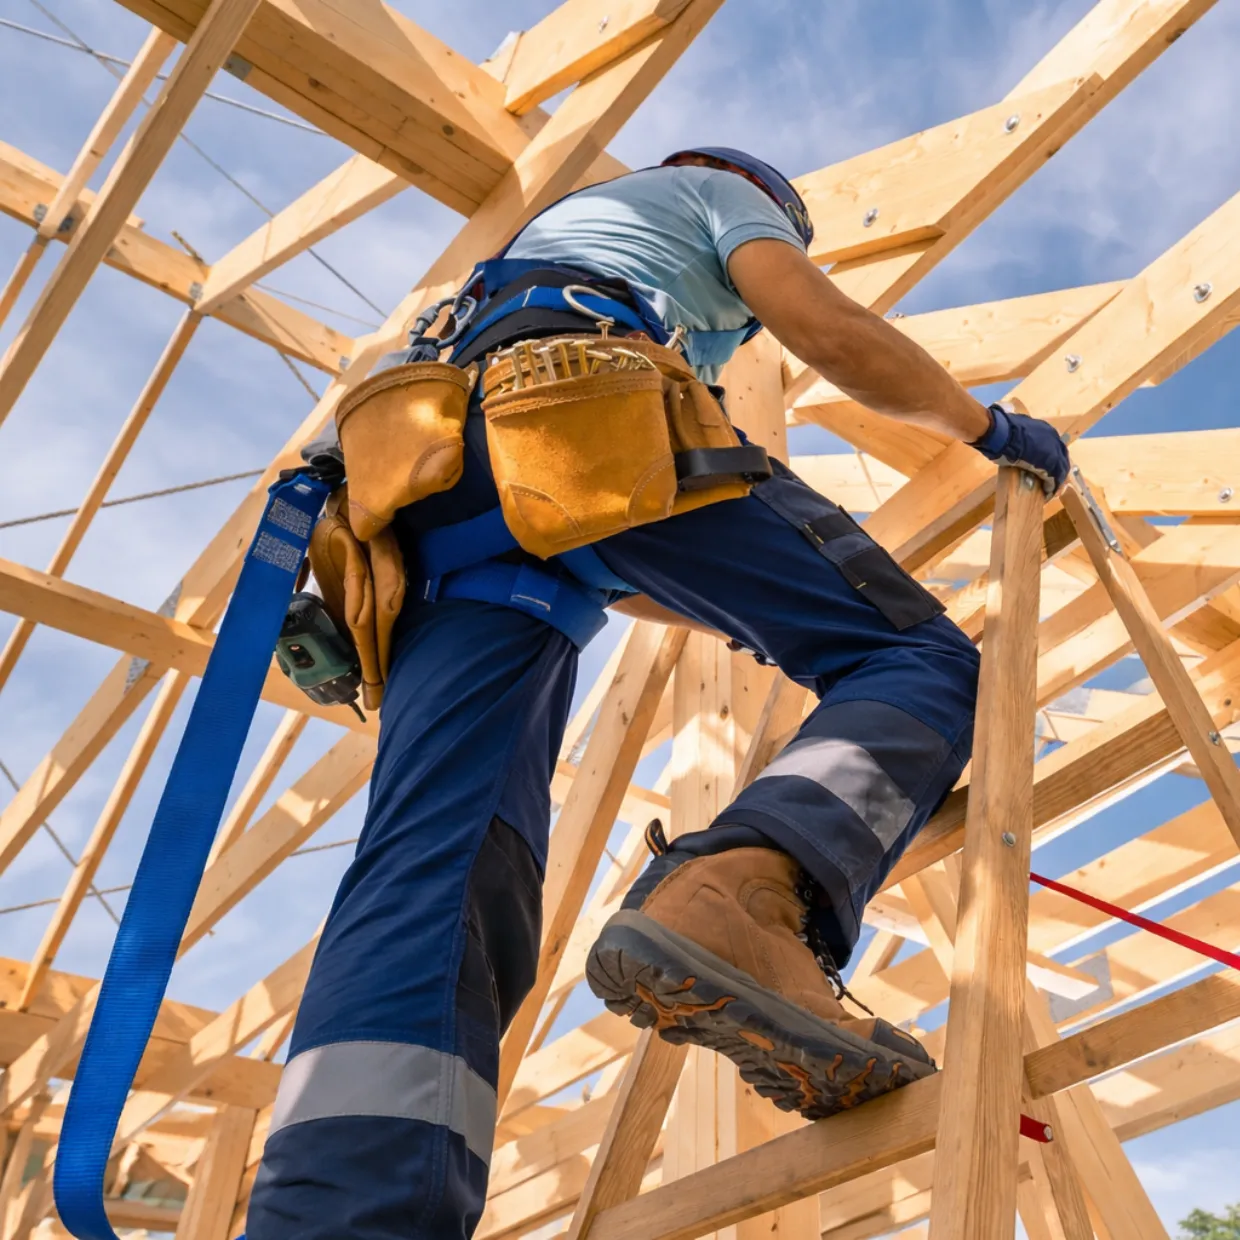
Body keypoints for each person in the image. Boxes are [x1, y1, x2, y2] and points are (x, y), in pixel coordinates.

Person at [246, 149, 1070, 1240]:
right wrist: (989, 430)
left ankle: (342, 1215)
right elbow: (822, 324)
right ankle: (737, 897)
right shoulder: (710, 198)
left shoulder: (480, 288)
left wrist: (746, 608)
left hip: (436, 517)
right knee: (915, 661)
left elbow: (609, 547)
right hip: (568, 409)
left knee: (437, 863)